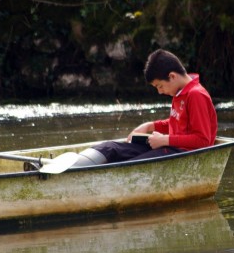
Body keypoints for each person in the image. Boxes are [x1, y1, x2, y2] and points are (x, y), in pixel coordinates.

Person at [70, 49, 218, 166]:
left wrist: (166, 140)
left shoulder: (196, 95)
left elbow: (202, 141)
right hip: (169, 147)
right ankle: (73, 165)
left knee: (130, 164)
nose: (160, 92)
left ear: (172, 76)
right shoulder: (179, 93)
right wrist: (150, 126)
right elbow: (179, 124)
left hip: (182, 153)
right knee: (110, 148)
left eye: (160, 86)